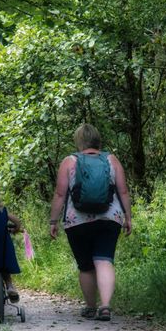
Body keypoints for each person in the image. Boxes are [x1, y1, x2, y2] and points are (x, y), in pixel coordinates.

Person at [48, 123, 132, 321]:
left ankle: (90, 307)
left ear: (79, 141)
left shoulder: (69, 161)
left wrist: (53, 221)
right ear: (97, 139)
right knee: (104, 260)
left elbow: (60, 194)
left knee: (86, 265)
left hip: (77, 221)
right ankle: (105, 306)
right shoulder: (112, 160)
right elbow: (123, 191)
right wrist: (128, 217)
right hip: (109, 218)